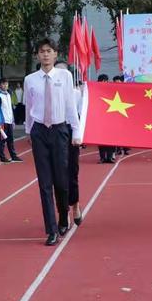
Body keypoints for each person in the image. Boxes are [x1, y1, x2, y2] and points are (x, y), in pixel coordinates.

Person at [24, 39, 81, 246]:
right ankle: (51, 229)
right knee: (44, 182)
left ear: (56, 54)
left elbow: (70, 105)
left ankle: (63, 215)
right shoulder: (30, 80)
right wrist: (29, 131)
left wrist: (76, 132)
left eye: (49, 51)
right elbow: (29, 108)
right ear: (37, 55)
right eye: (41, 52)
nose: (45, 55)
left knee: (61, 180)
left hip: (60, 130)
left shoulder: (64, 76)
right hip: (39, 131)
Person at [55, 61, 83, 227]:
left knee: (72, 172)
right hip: (54, 133)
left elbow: (81, 113)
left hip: (71, 132)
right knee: (57, 176)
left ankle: (76, 204)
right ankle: (62, 211)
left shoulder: (76, 93)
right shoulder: (47, 92)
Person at [0, 78, 23, 164]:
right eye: (3, 84)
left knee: (11, 139)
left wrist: (13, 120)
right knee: (2, 141)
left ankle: (13, 156)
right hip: (3, 121)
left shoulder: (9, 94)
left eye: (6, 84)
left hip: (9, 120)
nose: (5, 85)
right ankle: (2, 158)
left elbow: (10, 108)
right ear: (0, 85)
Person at [97, 74, 116, 163]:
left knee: (111, 139)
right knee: (101, 140)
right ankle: (102, 158)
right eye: (104, 80)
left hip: (110, 119)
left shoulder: (111, 90)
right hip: (100, 120)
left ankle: (110, 157)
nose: (105, 82)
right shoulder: (95, 90)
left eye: (106, 80)